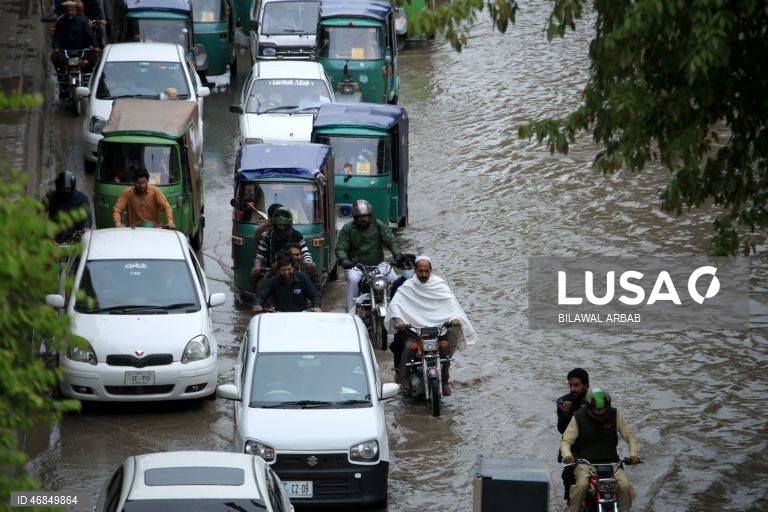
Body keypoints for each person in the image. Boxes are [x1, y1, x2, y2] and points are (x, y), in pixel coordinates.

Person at [384, 255, 478, 396]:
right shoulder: (407, 287)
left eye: (426, 271)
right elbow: (396, 305)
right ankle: (404, 380)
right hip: (415, 331)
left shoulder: (440, 285)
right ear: (415, 270)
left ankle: (445, 381)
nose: (423, 274)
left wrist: (455, 318)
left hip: (437, 331)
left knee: (445, 350)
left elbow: (452, 304)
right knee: (409, 348)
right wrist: (398, 320)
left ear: (431, 270)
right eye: (420, 271)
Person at [560, 388, 640, 512]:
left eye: (603, 409)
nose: (600, 413)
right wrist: (567, 455)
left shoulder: (615, 414)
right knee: (581, 486)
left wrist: (634, 454)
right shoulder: (578, 417)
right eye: (596, 409)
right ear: (589, 406)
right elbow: (566, 441)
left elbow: (629, 436)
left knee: (625, 486)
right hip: (585, 463)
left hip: (611, 463)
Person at [335, 199, 401, 313]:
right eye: (360, 217)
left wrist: (397, 255)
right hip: (356, 267)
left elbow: (391, 240)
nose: (363, 219)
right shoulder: (348, 228)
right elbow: (341, 248)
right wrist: (344, 259)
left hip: (378, 264)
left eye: (365, 216)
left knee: (394, 279)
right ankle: (351, 313)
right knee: (352, 279)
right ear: (355, 217)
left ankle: (397, 309)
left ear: (370, 216)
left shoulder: (378, 225)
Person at [556, 368, 590, 504]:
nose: (572, 389)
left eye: (576, 385)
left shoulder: (596, 401)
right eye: (570, 385)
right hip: (573, 446)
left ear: (586, 386)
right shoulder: (563, 401)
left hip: (593, 445)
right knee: (568, 472)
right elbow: (561, 430)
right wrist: (565, 414)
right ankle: (570, 502)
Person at [252, 253, 321, 313]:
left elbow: (314, 295)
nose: (286, 273)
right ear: (279, 270)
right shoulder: (274, 281)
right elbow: (262, 295)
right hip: (280, 314)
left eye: (289, 269)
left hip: (301, 314)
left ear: (293, 268)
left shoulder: (303, 277)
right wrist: (258, 304)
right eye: (283, 270)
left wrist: (316, 306)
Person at [252, 206, 313, 273]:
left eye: (284, 225)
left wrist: (309, 262)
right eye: (279, 224)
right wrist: (257, 266)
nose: (282, 227)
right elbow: (260, 256)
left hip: (294, 271)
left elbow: (305, 253)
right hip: (272, 271)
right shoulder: (266, 235)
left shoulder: (297, 235)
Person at [43, 170, 93, 243]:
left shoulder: (81, 198)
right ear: (58, 187)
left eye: (67, 189)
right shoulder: (50, 197)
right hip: (54, 236)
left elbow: (87, 217)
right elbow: (38, 213)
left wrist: (86, 227)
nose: (65, 191)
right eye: (62, 189)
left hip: (74, 236)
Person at [51, 1, 98, 75]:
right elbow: (56, 38)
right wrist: (56, 48)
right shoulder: (60, 23)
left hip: (81, 51)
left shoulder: (82, 22)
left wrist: (96, 46)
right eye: (67, 11)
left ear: (76, 10)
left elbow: (90, 35)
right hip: (66, 52)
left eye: (72, 10)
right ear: (64, 12)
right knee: (57, 61)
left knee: (93, 62)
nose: (70, 13)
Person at [387, 253, 415, 374]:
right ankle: (399, 373)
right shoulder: (398, 284)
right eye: (403, 267)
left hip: (424, 322)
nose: (406, 270)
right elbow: (393, 305)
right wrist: (398, 320)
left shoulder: (426, 282)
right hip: (404, 322)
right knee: (397, 345)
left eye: (409, 267)